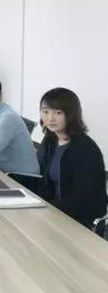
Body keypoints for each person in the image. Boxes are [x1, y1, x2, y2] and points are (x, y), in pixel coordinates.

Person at [37, 88, 107, 228]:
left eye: (58, 112)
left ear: (70, 114)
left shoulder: (85, 149)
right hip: (53, 211)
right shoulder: (50, 140)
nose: (50, 118)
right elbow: (41, 177)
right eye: (45, 112)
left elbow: (82, 198)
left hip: (79, 220)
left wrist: (47, 210)